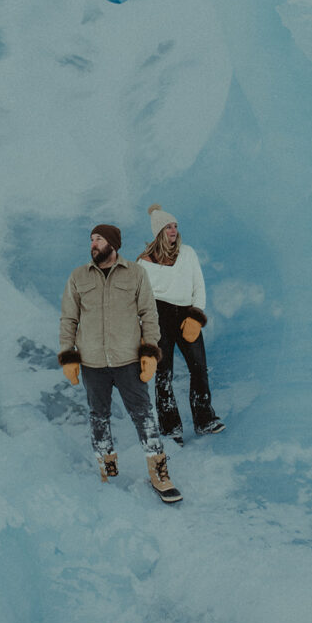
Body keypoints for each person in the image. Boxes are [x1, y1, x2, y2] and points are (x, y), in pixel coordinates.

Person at [58, 223, 182, 503]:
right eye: (91, 239)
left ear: (113, 244)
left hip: (127, 361)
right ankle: (107, 471)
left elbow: (149, 315)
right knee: (98, 416)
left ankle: (160, 473)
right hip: (92, 363)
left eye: (99, 239)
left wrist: (150, 352)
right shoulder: (78, 277)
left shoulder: (136, 274)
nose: (93, 244)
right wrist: (69, 355)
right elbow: (69, 319)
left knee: (144, 416)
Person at [138, 204, 224, 444]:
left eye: (175, 226)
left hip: (186, 314)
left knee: (199, 368)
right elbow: (141, 300)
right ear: (158, 231)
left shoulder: (188, 253)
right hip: (158, 316)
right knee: (163, 373)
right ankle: (170, 428)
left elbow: (199, 286)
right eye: (168, 227)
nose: (173, 230)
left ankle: (205, 419)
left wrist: (196, 316)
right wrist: (145, 332)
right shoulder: (143, 264)